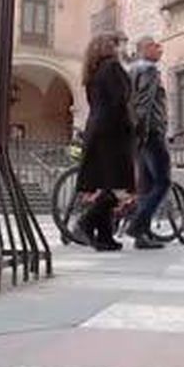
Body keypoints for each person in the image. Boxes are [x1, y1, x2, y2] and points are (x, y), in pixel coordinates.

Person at [72, 32, 135, 251]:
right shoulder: (112, 67)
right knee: (117, 185)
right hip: (113, 132)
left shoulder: (93, 72)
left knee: (107, 183)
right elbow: (121, 99)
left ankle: (105, 236)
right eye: (117, 44)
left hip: (97, 130)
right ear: (109, 47)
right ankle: (85, 223)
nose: (120, 48)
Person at [127, 36, 170, 250]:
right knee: (163, 182)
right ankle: (137, 225)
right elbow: (144, 102)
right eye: (155, 45)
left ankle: (142, 234)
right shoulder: (149, 70)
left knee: (145, 185)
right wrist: (144, 131)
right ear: (144, 49)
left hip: (138, 134)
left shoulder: (131, 69)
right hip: (150, 132)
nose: (160, 48)